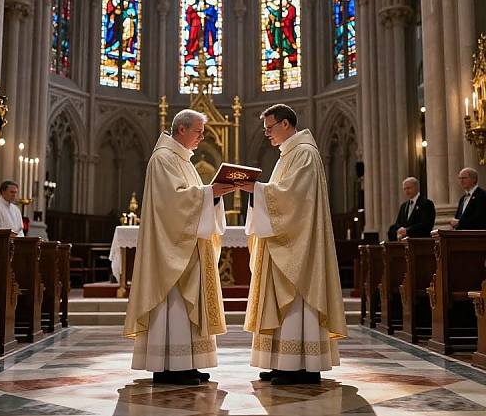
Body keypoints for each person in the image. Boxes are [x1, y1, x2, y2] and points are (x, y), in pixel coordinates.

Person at [237, 104, 346, 385]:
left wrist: (257, 189)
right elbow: (282, 196)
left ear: (286, 124)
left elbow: (294, 198)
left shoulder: (305, 154)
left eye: (270, 128)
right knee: (282, 301)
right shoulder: (289, 154)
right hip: (283, 241)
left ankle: (302, 366)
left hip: (300, 245)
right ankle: (283, 362)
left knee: (297, 300)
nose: (267, 134)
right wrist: (259, 191)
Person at [123, 109, 235, 385]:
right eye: (198, 131)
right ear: (182, 129)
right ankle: (169, 366)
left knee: (186, 307)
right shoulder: (163, 159)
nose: (202, 137)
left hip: (188, 247)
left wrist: (213, 196)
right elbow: (173, 203)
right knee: (174, 305)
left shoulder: (182, 160)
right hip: (170, 251)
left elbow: (191, 199)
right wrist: (211, 192)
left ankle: (187, 363)